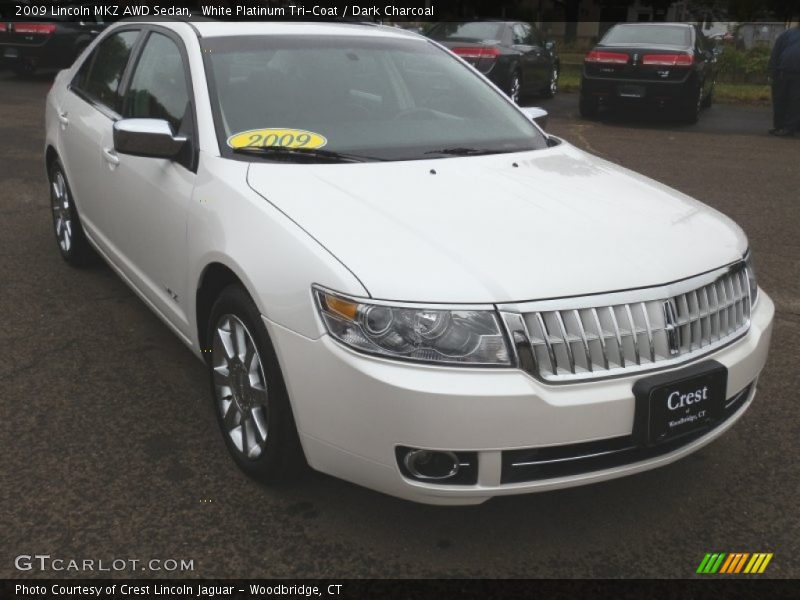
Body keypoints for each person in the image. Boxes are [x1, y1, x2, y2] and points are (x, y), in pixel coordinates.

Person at [768, 24, 800, 137]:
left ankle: (791, 128)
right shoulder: (787, 34)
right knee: (780, 100)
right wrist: (772, 71)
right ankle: (780, 126)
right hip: (783, 73)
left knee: (795, 102)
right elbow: (776, 53)